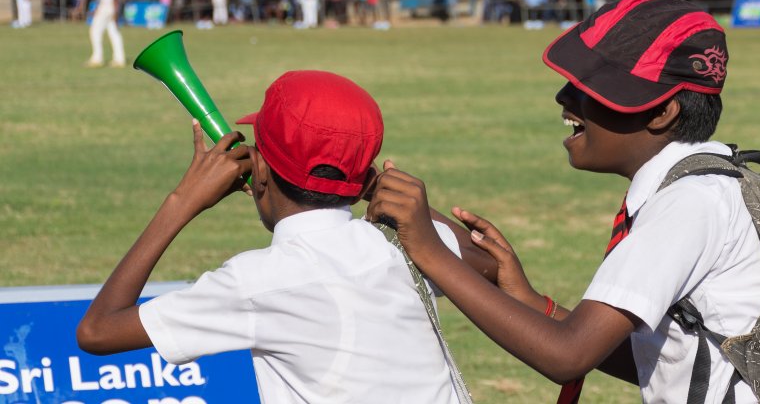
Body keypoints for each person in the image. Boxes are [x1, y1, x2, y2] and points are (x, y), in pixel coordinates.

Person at [367, 0, 760, 404]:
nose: (564, 97)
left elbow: (567, 356)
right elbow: (658, 359)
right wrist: (530, 301)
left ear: (661, 112)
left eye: (593, 86)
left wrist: (427, 251)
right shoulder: (712, 185)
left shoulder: (689, 204)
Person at [77, 70, 495, 404]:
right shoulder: (402, 243)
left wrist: (181, 202)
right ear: (363, 173)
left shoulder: (256, 281)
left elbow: (97, 332)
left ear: (259, 173)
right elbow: (488, 264)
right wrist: (368, 182)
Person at [86, 0, 126, 68]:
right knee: (113, 32)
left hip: (108, 7)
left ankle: (97, 58)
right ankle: (119, 58)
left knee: (95, 30)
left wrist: (115, 11)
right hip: (106, 6)